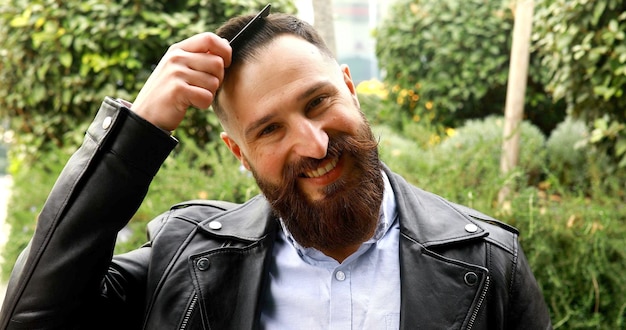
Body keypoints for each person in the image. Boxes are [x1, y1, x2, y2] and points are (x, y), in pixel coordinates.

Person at [0, 9, 552, 330]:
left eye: (318, 103)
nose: (313, 145)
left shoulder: (488, 263)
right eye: (269, 130)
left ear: (352, 91)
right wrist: (137, 133)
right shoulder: (186, 260)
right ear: (239, 154)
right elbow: (31, 318)